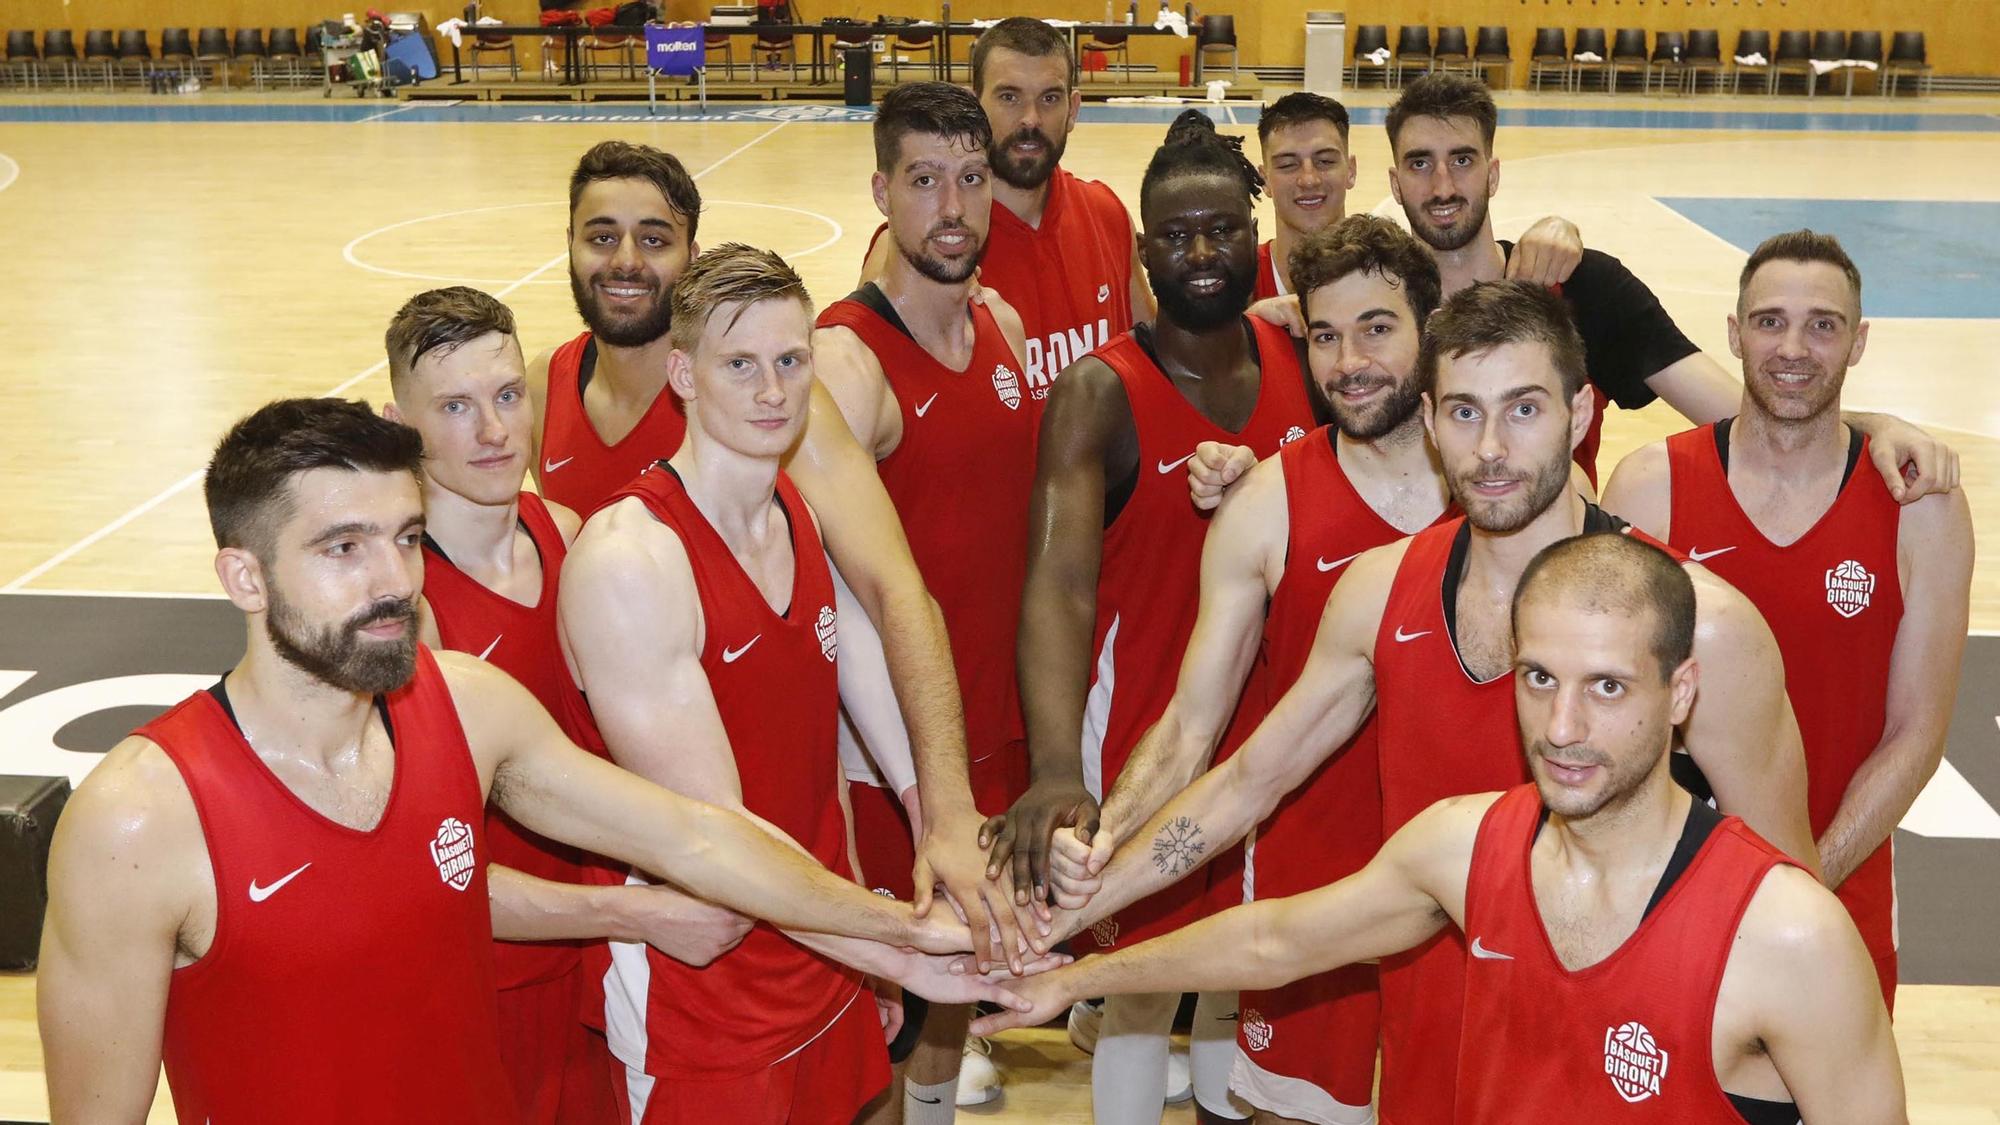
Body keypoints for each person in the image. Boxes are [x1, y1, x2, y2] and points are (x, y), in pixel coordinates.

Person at [35, 397, 1007, 1125]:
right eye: (342, 548)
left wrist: (896, 935)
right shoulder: (139, 820)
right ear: (243, 575)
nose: (391, 582)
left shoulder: (467, 707)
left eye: (405, 539)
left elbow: (697, 837)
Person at [1041, 280, 1819, 1125]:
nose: (1489, 448)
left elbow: (1791, 899)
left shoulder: (1707, 625)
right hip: (1430, 1058)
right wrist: (1072, 911)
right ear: (1430, 420)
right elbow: (1244, 783)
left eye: (1523, 410)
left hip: (1622, 1069)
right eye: (1462, 412)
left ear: (1582, 413)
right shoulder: (1382, 591)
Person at [976, 533, 1908, 1125]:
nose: (1564, 728)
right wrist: (1077, 977)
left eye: (1608, 687)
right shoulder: (1466, 847)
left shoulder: (1787, 934)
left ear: (1683, 695)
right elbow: (1275, 940)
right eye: (1539, 678)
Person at [528, 139, 1032, 972]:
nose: (770, 391)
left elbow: (885, 600)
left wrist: (937, 809)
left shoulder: (787, 461)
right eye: (601, 234)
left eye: (654, 238)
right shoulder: (555, 405)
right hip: (665, 873)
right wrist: (896, 946)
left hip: (795, 865)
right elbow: (704, 833)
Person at [1084, 215, 1456, 1125]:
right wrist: (1101, 852)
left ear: (1429, 329)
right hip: (1305, 906)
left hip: (1463, 908)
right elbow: (1189, 728)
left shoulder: (1499, 487)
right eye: (1324, 335)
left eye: (1377, 327)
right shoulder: (1266, 501)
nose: (1349, 361)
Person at [999, 111, 1321, 1123]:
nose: (1199, 253)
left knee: (1238, 964)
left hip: (1271, 719)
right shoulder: (1100, 391)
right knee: (1136, 978)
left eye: (1220, 230)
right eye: (1174, 235)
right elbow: (1054, 586)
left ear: (1250, 233)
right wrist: (1056, 767)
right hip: (1143, 722)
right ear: (1143, 252)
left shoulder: (1300, 362)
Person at [386, 286, 735, 1124]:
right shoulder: (407, 612)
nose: (495, 430)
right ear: (399, 422)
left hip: (595, 964)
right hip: (486, 984)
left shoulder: (572, 532)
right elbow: (429, 873)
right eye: (456, 407)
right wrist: (636, 909)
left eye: (507, 395)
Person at [1602, 229, 1973, 1014]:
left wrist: (1802, 881)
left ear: (1858, 340)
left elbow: (1917, 735)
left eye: (1823, 324)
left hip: (1840, 897)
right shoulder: (1650, 486)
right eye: (1770, 321)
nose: (1794, 347)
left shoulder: (1920, 506)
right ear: (1734, 334)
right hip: (1666, 897)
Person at [1383, 73, 1960, 494]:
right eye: (1419, 163)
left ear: (1494, 170)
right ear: (1393, 178)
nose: (1441, 186)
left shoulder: (1586, 287)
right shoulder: (1368, 307)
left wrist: (1877, 425)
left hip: (1549, 575)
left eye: (1462, 160)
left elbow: (1741, 415)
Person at [812, 82, 1035, 1115]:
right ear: (880, 192)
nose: (951, 205)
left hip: (995, 721)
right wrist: (915, 787)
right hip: (899, 755)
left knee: (961, 983)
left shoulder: (1001, 321)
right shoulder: (845, 363)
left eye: (970, 178)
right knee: (893, 1008)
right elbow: (846, 593)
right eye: (923, 180)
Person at [860, 17, 1149, 398]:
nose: (1031, 119)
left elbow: (1151, 357)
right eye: (1009, 96)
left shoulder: (1107, 213)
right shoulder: (923, 244)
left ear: (1073, 109)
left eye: (1050, 98)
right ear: (974, 105)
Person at [1251, 91, 1580, 302]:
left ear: (1351, 171)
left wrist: (1560, 227)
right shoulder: (1238, 287)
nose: (1308, 179)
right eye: (1287, 164)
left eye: (1325, 161)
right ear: (1263, 178)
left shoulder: (1381, 277)